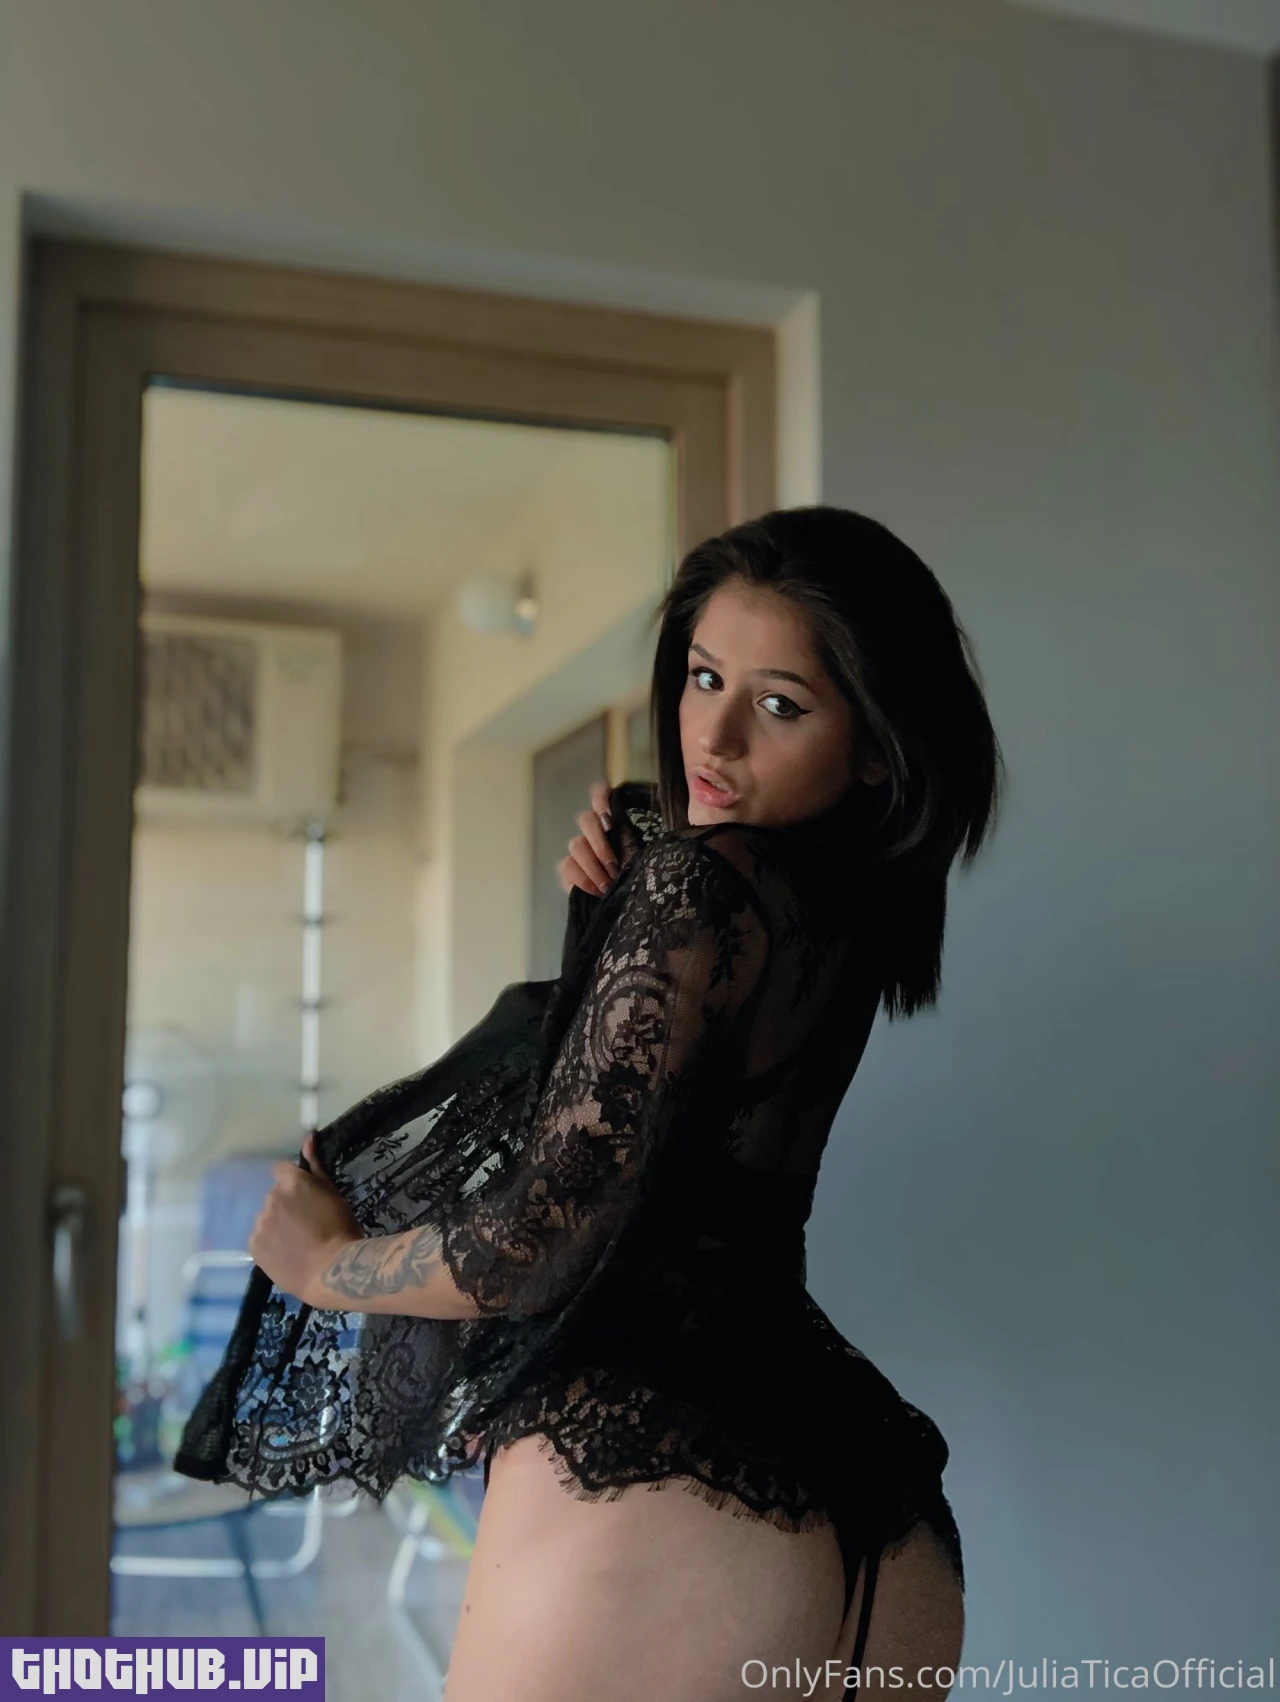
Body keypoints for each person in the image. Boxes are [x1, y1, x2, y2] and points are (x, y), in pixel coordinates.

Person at [175, 505, 1004, 1700]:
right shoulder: (845, 920)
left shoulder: (699, 885)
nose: (713, 733)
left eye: (779, 704)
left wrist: (325, 1267)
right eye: (703, 677)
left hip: (646, 1471)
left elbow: (538, 1238)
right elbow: (662, 1135)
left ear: (877, 747)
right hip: (878, 1519)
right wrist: (617, 909)